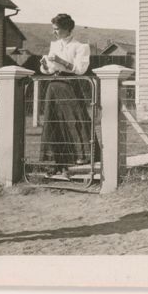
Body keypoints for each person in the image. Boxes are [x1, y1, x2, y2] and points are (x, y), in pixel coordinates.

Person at [39, 14, 100, 177]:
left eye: (57, 29)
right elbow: (50, 70)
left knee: (74, 121)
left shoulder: (80, 47)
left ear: (67, 29)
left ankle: (79, 160)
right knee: (53, 122)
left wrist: (61, 61)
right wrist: (45, 66)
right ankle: (56, 163)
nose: (54, 32)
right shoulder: (54, 45)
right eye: (53, 29)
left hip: (70, 86)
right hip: (54, 86)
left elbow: (80, 70)